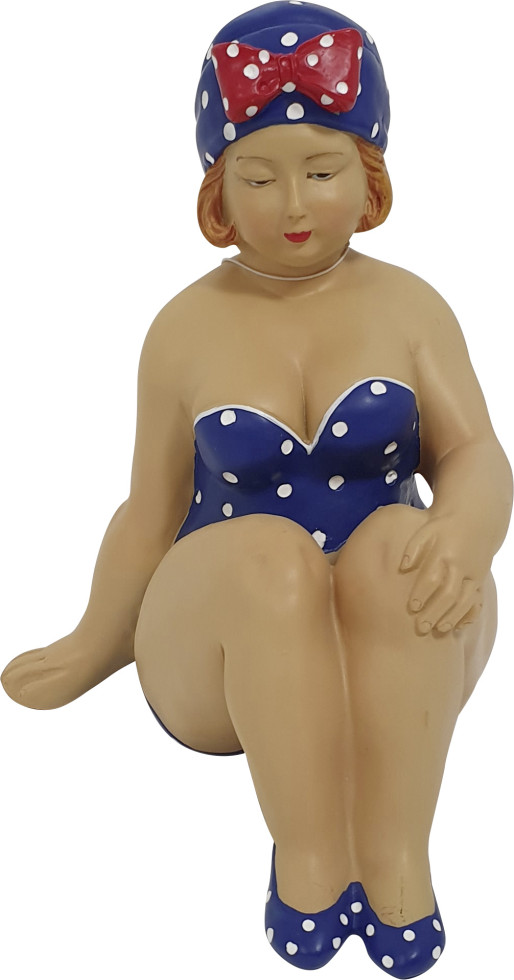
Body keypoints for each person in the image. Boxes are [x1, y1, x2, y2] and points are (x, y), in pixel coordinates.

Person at [2, 3, 511, 976]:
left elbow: (475, 452)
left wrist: (466, 528)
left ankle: (397, 851)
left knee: (394, 543)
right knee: (268, 559)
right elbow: (148, 514)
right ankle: (308, 855)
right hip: (225, 650)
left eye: (320, 171)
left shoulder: (412, 308)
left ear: (367, 178)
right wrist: (93, 640)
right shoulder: (182, 330)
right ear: (218, 191)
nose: (292, 204)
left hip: (400, 643)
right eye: (259, 176)